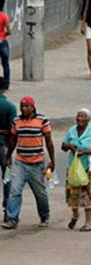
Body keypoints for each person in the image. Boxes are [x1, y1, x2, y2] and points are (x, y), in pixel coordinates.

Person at [1, 96, 55, 230]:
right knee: (15, 191)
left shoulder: (42, 120)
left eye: (27, 106)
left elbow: (48, 141)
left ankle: (44, 215)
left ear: (33, 107)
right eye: (22, 106)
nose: (24, 109)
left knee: (40, 192)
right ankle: (12, 219)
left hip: (36, 163)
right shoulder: (17, 121)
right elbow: (13, 139)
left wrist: (52, 160)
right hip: (20, 161)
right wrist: (8, 157)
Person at [61, 108, 91, 232]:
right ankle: (75, 215)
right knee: (72, 192)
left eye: (83, 116)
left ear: (89, 119)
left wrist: (85, 152)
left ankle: (88, 223)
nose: (79, 119)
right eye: (78, 116)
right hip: (73, 167)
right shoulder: (71, 131)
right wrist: (69, 146)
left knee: (87, 194)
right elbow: (63, 146)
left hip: (88, 167)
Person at [0, 84, 16, 222]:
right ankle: (7, 211)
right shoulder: (9, 106)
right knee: (7, 178)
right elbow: (13, 131)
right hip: (4, 145)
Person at [0, 0, 11, 88]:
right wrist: (3, 34)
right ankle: (6, 84)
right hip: (2, 41)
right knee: (5, 64)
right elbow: (9, 31)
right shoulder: (4, 16)